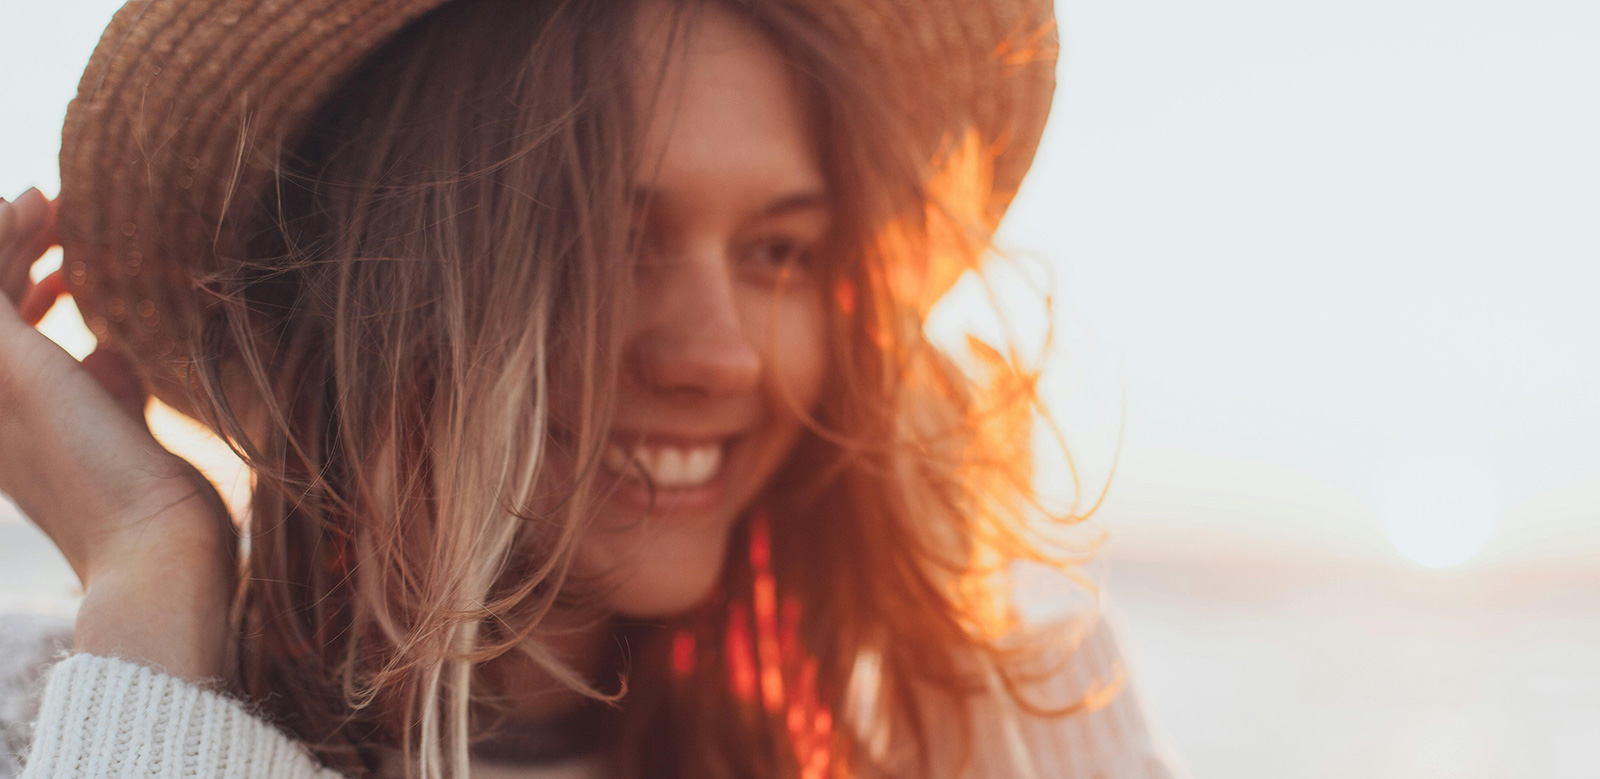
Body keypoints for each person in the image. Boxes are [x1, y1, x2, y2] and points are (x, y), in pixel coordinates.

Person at [0, 0, 1176, 776]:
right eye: (600, 242)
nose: (718, 355)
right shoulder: (50, 729)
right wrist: (155, 568)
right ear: (363, 285)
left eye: (778, 253)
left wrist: (956, 553)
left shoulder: (872, 747)